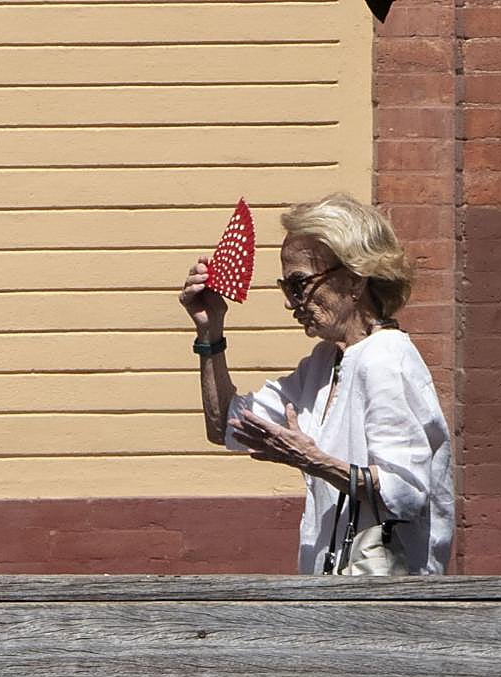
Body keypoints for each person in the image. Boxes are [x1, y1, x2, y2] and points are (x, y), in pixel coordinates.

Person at [178, 193, 454, 575]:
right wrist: (211, 332)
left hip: (387, 606)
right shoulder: (324, 365)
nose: (293, 303)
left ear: (355, 280)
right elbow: (226, 423)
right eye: (287, 287)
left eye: (300, 284)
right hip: (338, 593)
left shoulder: (386, 358)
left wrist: (312, 460)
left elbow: (404, 492)